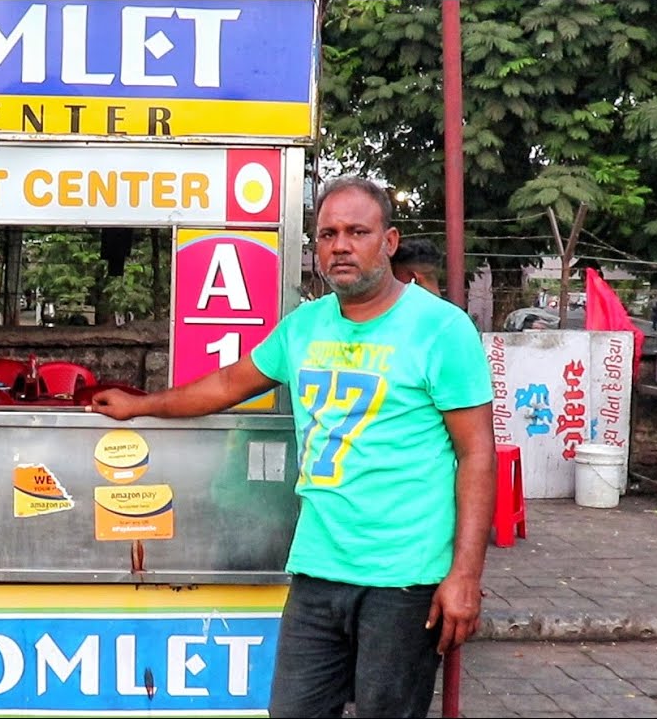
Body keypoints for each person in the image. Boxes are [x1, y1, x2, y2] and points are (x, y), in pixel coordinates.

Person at [88, 176, 495, 718]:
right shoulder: (305, 326)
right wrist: (141, 405)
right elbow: (228, 385)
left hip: (405, 579)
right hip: (317, 569)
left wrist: (464, 576)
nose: (341, 245)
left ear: (389, 241)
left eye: (357, 231)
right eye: (328, 234)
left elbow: (477, 454)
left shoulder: (442, 330)